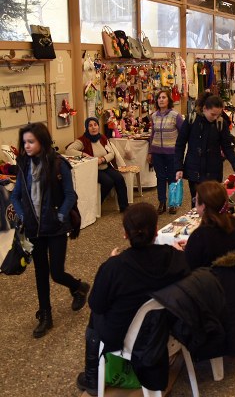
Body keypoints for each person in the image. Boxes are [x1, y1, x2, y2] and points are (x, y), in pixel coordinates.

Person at [75, 203, 190, 395]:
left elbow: (96, 304)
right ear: (155, 231)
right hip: (168, 331)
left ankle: (92, 377)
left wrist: (109, 262)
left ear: (125, 234)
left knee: (95, 315)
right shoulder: (174, 259)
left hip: (126, 336)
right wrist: (175, 251)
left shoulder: (114, 268)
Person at [10, 122, 89, 339]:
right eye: (24, 142)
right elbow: (15, 195)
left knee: (56, 272)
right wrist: (23, 215)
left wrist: (61, 215)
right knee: (41, 273)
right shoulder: (24, 165)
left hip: (55, 228)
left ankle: (78, 286)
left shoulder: (57, 163)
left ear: (42, 141)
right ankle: (46, 315)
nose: (26, 145)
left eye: (31, 141)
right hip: (34, 229)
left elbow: (70, 195)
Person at [178, 181, 235, 357]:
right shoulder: (233, 225)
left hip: (211, 300)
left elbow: (189, 270)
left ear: (203, 206)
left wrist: (184, 251)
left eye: (196, 201)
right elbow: (216, 249)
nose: (195, 204)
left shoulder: (201, 236)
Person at [175, 94, 235, 205]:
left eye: (218, 114)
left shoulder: (220, 123)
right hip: (194, 170)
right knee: (197, 203)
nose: (215, 118)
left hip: (213, 170)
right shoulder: (191, 119)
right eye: (213, 114)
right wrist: (178, 167)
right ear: (205, 108)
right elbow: (180, 145)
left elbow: (227, 148)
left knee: (213, 202)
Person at [66, 117, 129, 213]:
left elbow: (112, 153)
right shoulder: (83, 140)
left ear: (98, 126)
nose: (93, 128)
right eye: (90, 126)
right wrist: (83, 154)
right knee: (108, 182)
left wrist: (103, 159)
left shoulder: (102, 138)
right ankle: (96, 204)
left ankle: (124, 207)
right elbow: (69, 150)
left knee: (119, 179)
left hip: (105, 166)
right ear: (87, 128)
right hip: (93, 169)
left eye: (95, 125)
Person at [148, 90, 184, 215]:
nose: (161, 100)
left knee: (172, 178)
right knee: (160, 177)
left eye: (164, 97)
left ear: (168, 100)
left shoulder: (175, 115)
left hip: (172, 153)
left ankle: (173, 204)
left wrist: (180, 151)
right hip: (157, 152)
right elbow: (152, 135)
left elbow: (183, 134)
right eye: (159, 98)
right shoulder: (154, 116)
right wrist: (150, 152)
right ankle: (162, 202)